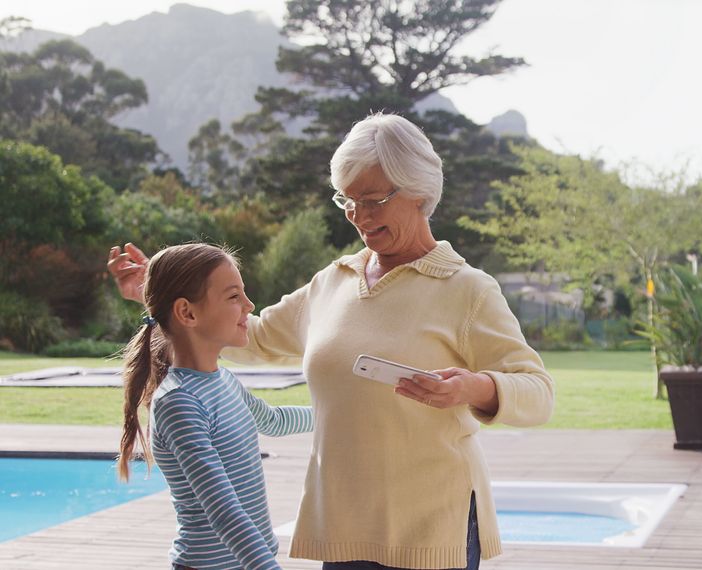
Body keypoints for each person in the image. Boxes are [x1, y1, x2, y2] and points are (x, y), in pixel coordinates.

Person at [108, 112, 555, 570]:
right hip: (344, 527)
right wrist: (160, 293)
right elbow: (249, 333)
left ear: (419, 191)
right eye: (348, 199)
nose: (358, 215)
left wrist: (473, 388)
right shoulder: (334, 281)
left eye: (374, 199)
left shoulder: (467, 289)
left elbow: (538, 392)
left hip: (430, 528)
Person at [114, 243, 314, 570]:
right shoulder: (179, 402)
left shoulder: (222, 379)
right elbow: (223, 510)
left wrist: (344, 415)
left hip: (249, 561)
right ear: (187, 313)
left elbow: (275, 421)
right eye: (234, 296)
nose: (249, 305)